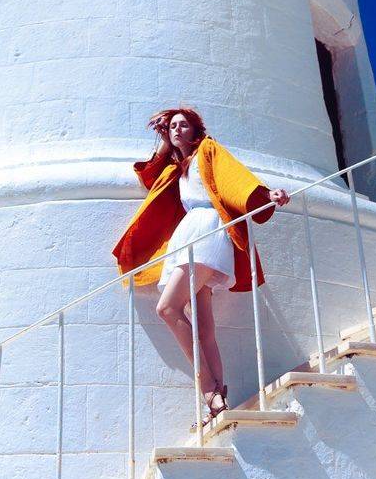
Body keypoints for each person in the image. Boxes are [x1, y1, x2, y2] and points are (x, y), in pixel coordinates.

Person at [112, 107, 290, 420]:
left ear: (196, 131)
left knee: (167, 308)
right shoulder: (175, 167)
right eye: (173, 127)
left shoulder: (207, 150)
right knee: (204, 327)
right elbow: (149, 173)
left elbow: (235, 177)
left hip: (206, 229)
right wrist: (164, 140)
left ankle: (208, 391)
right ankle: (219, 396)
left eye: (184, 126)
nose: (177, 130)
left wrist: (266, 195)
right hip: (187, 234)